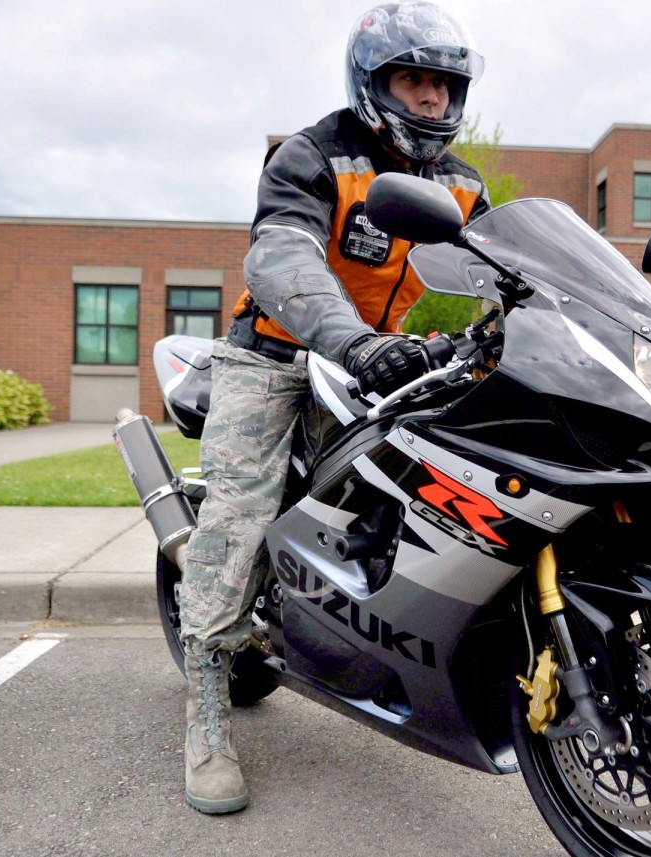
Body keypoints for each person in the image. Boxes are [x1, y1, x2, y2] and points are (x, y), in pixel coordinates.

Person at [177, 2, 490, 814]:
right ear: (371, 83)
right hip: (276, 351)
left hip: (372, 361)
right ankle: (207, 706)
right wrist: (353, 341)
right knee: (241, 512)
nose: (428, 101)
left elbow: (502, 270)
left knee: (405, 496)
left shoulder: (460, 184)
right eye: (412, 81)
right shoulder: (311, 156)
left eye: (442, 86)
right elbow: (282, 253)